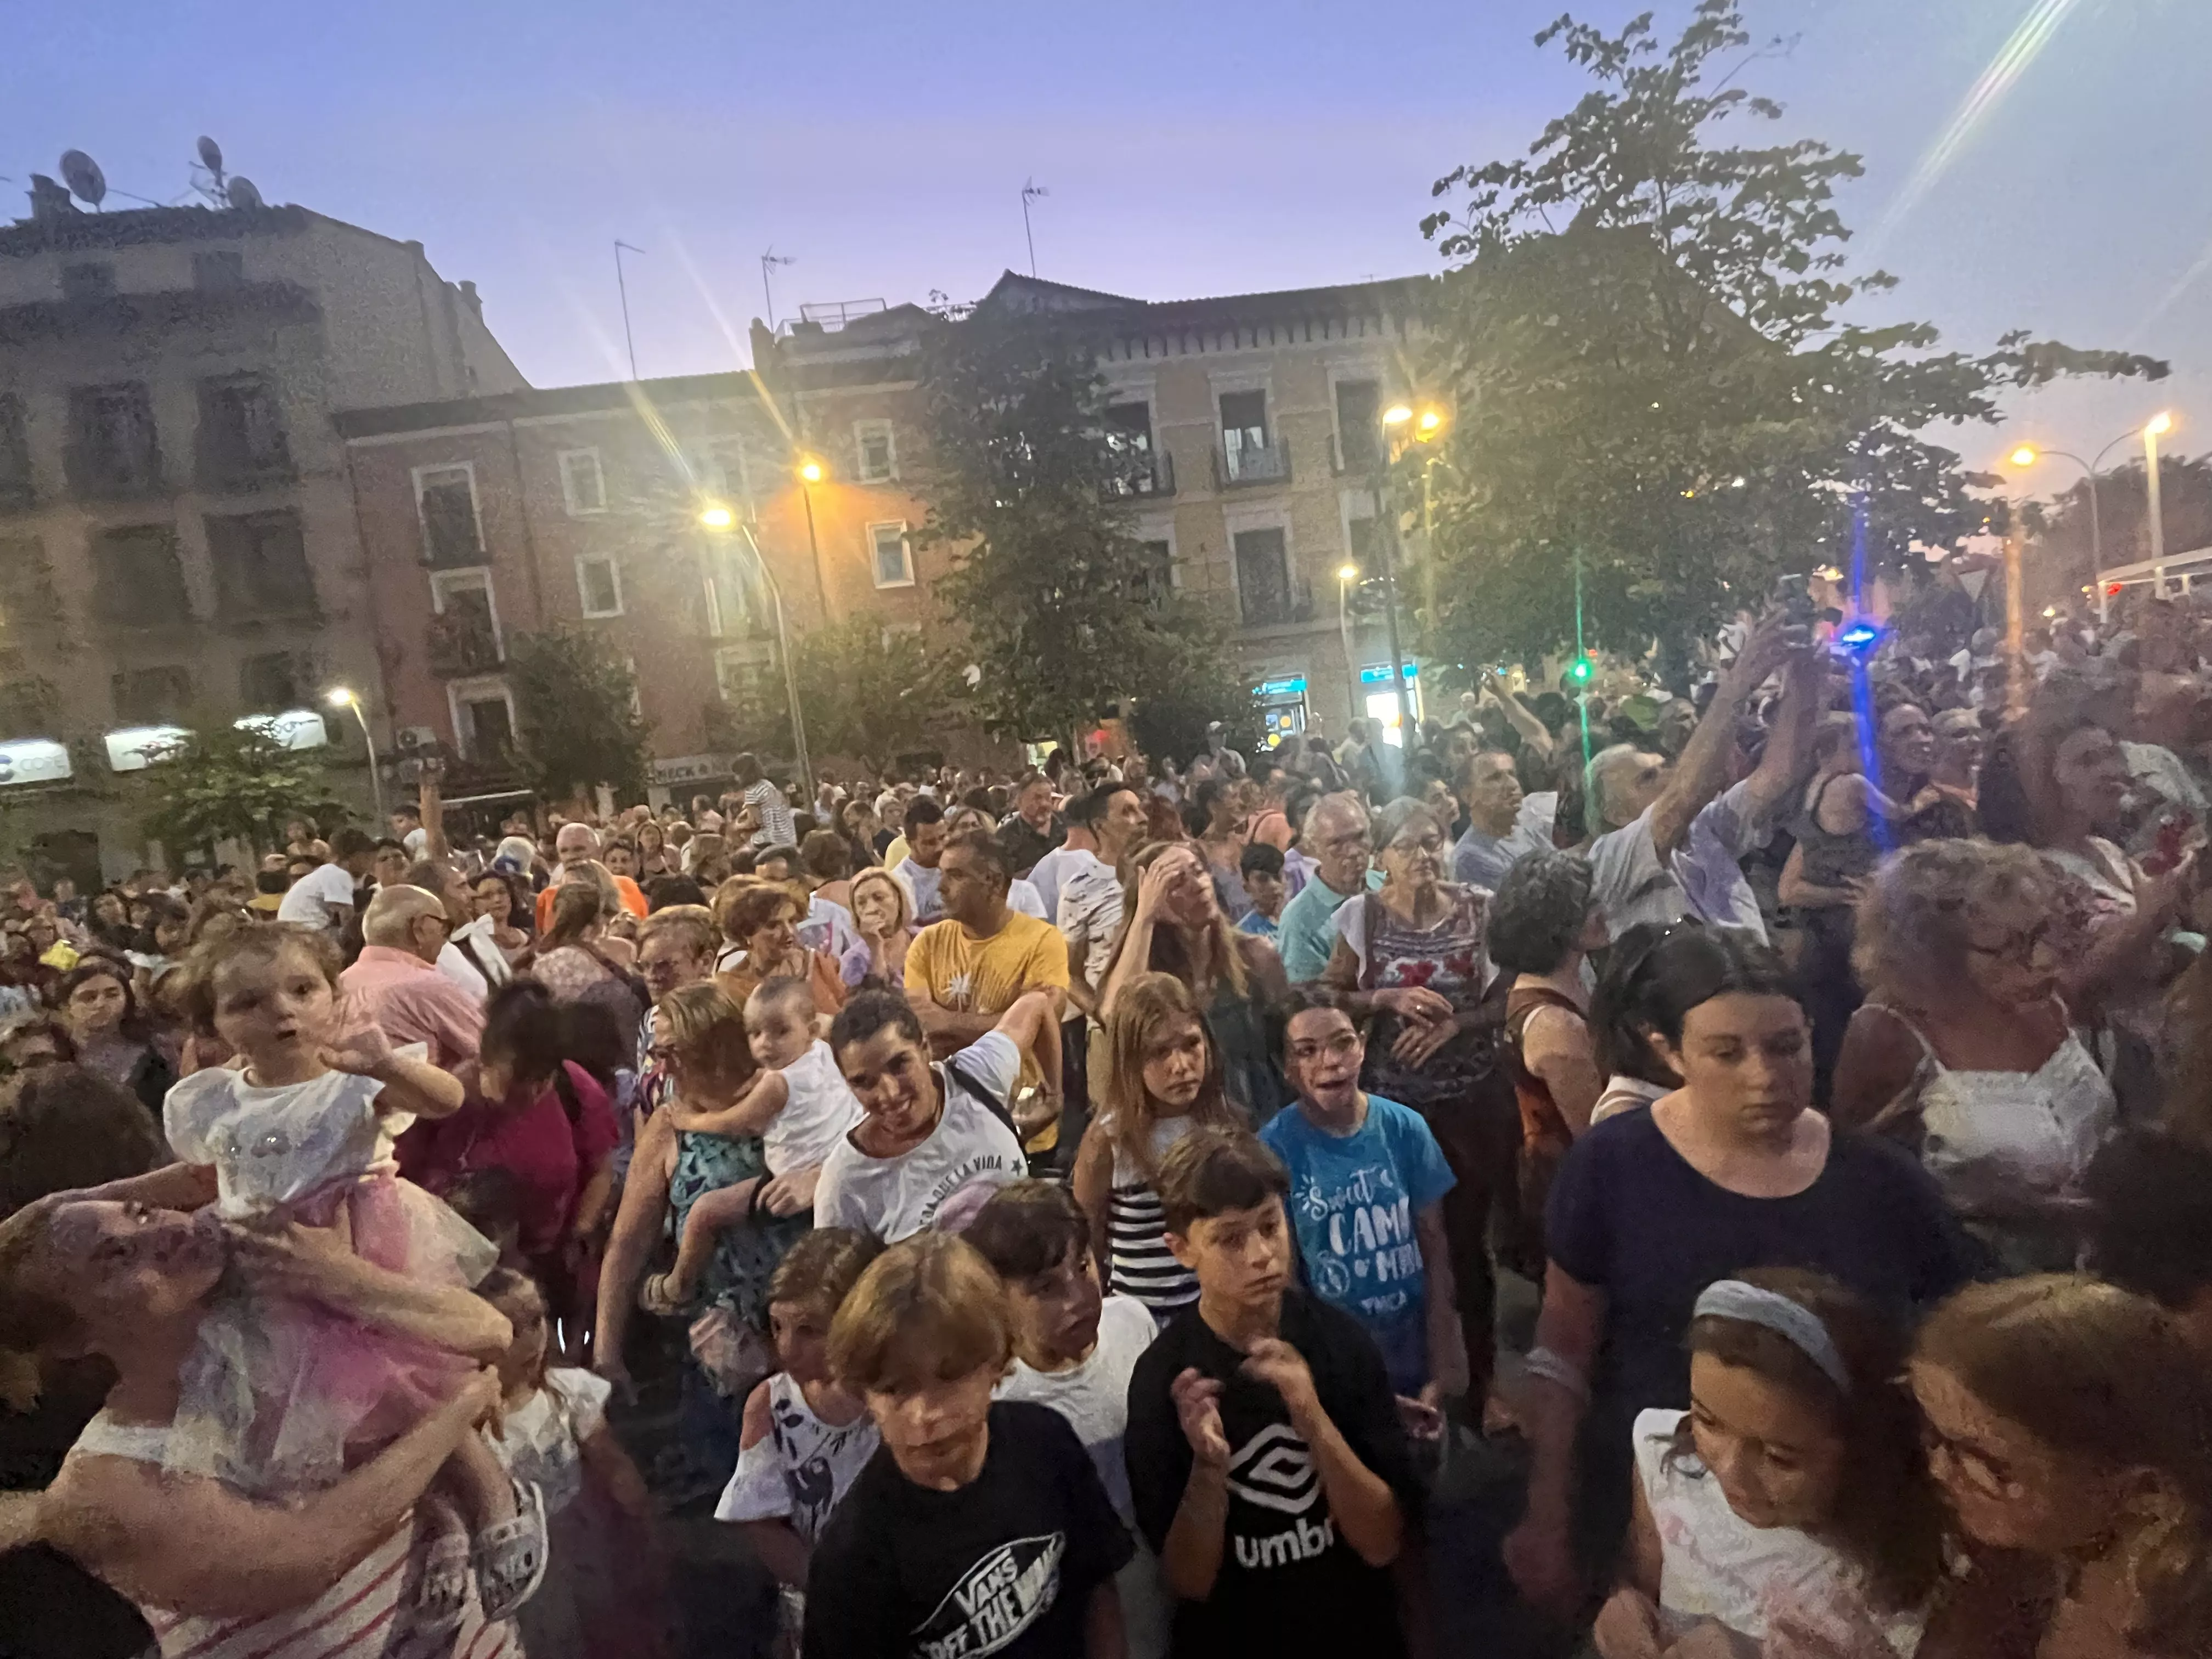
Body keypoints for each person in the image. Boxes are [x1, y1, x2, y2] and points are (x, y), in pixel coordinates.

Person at [1504, 927, 1976, 1618]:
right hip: (1662, 1510)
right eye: (1727, 1053)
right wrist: (1548, 1511)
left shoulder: (1881, 1181)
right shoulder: (1613, 1166)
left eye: (1786, 1046)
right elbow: (1567, 1344)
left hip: (1845, 1524)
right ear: (1668, 1050)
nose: (1764, 1076)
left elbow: (1954, 1344)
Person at [0, 1196, 526, 1658]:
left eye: (142, 1211)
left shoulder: (284, 1321)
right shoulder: (109, 1477)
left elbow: (491, 1333)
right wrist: (459, 1409)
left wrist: (342, 1279)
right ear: (75, 1341)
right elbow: (305, 1553)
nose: (156, 1234)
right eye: (114, 1259)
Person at [1124, 1127, 1419, 1659]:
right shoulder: (1164, 1378)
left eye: (1270, 1226)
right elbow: (1189, 1582)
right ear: (1181, 1249)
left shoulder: (1340, 1344)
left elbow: (1383, 1541)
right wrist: (1209, 1470)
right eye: (1231, 1239)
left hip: (1352, 1631)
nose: (1262, 1255)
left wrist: (1313, 1419)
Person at [802, 1232, 1133, 1659]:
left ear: (995, 1364)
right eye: (896, 1389)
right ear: (864, 1396)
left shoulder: (1045, 1443)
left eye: (950, 1378)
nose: (926, 1415)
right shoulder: (854, 1553)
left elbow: (1096, 1588)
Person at [1594, 1269, 1945, 1659]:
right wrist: (1625, 1602)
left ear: (1861, 1448)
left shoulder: (1906, 1557)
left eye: (1779, 1457)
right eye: (1707, 1421)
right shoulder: (1669, 1465)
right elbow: (1644, 1574)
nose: (1728, 1472)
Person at [1833, 839, 2118, 1271]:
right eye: (2006, 947)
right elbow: (1859, 1176)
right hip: (1980, 1278)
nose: (2041, 960)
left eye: (2041, 933)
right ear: (1932, 955)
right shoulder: (1889, 1033)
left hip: (2102, 1262)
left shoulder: (2044, 1001)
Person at [1908, 1276, 2212, 1659]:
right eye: (1933, 1433)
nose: (1938, 1468)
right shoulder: (2026, 1561)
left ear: (2142, 1492)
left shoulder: (2188, 1629)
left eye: (1981, 1460)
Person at [966, 1181, 1173, 1659]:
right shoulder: (999, 1396)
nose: (1079, 1297)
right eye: (1045, 1289)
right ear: (996, 1297)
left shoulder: (1132, 1323)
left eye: (1083, 1267)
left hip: (1149, 1555)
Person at [1261, 988, 1464, 1410]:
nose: (1331, 1061)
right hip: (1338, 1357)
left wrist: (1445, 1347)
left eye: (1343, 1043)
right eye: (1308, 1051)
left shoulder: (1406, 1128)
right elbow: (1286, 1278)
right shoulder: (1274, 1149)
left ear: (1363, 1046)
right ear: (1287, 1068)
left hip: (1412, 1347)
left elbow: (1435, 1245)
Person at [1581, 621, 1814, 942]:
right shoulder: (1609, 857)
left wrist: (1804, 680)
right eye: (1647, 777)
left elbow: (1775, 774)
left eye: (1665, 766)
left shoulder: (1703, 829)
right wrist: (1739, 680)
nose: (1669, 775)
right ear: (1614, 813)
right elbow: (1682, 797)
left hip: (1755, 979)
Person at [477, 1267, 664, 1659]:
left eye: (537, 1319)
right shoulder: (469, 1426)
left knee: (605, 1622)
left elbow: (612, 1463)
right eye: (512, 1329)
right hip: (522, 1562)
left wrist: (641, 1519)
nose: (533, 1339)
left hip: (583, 1536)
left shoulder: (565, 1394)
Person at [716, 1228, 887, 1656]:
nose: (788, 1348)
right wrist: (830, 1590)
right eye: (778, 1326)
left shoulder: (899, 1396)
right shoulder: (770, 1407)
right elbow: (760, 1520)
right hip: (823, 1595)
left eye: (810, 1330)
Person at [646, 978, 862, 1311]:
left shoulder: (776, 1084)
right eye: (756, 1033)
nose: (765, 1044)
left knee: (706, 1211)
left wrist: (689, 1122)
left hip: (798, 1178)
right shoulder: (821, 1052)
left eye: (779, 1032)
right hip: (835, 1164)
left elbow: (735, 1122)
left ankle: (678, 1286)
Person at [422, 979, 620, 1336]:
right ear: (485, 1061)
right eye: (516, 1083)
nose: (531, 1093)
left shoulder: (575, 1088)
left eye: (541, 1080)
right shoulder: (440, 1096)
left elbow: (601, 1170)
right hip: (450, 1271)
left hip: (546, 1268)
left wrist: (581, 1232)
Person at [817, 988, 1056, 1240]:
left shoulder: (975, 1075)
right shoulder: (845, 1184)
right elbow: (837, 1275)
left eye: (899, 1065)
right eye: (864, 1082)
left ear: (925, 1048)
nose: (889, 1093)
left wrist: (1055, 1097)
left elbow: (1037, 1004)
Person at [1071, 973, 1243, 1318]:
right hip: (1141, 1316)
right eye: (1159, 1052)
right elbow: (1086, 1233)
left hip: (1213, 1311)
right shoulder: (1109, 1138)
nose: (1180, 1066)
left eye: (1191, 1045)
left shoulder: (1220, 1119)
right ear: (1130, 1061)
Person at [905, 831, 1069, 1161]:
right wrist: (1007, 1025)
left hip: (1023, 1120)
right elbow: (923, 1026)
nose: (941, 887)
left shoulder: (1042, 941)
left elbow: (1039, 1023)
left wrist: (949, 1022)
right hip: (948, 1121)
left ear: (993, 882)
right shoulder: (927, 942)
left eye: (956, 876)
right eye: (942, 875)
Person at [1101, 840, 1288, 1124]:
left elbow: (1288, 1046)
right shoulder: (1147, 970)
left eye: (1198, 872)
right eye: (1176, 883)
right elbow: (1115, 1015)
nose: (1197, 885)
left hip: (1260, 1117)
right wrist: (1145, 918)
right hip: (1181, 1124)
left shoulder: (1257, 956)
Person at [1491, 851, 1607, 1233]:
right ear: (1558, 925)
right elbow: (1596, 1135)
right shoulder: (1556, 1025)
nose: (1602, 911)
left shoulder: (1566, 979)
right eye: (1590, 905)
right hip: (1574, 1191)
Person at [340, 885, 486, 1070]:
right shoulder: (428, 987)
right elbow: (491, 1052)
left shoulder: (340, 984)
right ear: (421, 928)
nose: (445, 937)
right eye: (445, 926)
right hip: (424, 1096)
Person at [1276, 794, 1382, 984]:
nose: (1353, 851)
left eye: (1359, 837)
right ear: (1313, 848)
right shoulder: (1300, 920)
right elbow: (1307, 999)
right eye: (1336, 843)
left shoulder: (1386, 886)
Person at [50, 960, 174, 1119]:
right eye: (88, 998)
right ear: (67, 1007)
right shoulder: (55, 1054)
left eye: (112, 995)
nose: (101, 1004)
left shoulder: (156, 1053)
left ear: (127, 1001)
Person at [716, 879, 849, 1016]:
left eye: (792, 921)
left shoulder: (823, 964)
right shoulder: (731, 988)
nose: (789, 932)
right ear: (746, 934)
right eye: (773, 925)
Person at [530, 884, 649, 1033]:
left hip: (570, 1045)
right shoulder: (624, 949)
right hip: (626, 1038)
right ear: (599, 917)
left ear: (555, 916)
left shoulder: (544, 964)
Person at [1453, 747, 1559, 891]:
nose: (1512, 785)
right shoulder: (1469, 859)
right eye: (1495, 778)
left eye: (1512, 774)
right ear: (1467, 795)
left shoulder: (1523, 828)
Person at [533, 825, 648, 933]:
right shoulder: (547, 896)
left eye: (579, 849)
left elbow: (643, 933)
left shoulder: (626, 885)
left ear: (598, 852)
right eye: (564, 851)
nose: (570, 856)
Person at [274, 827, 377, 934]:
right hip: (305, 931)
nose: (371, 865)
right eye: (368, 859)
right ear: (358, 857)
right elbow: (348, 920)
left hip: (293, 929)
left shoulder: (327, 872)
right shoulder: (338, 875)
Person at [845, 866, 913, 990]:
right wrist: (876, 949)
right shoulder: (853, 960)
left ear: (898, 899)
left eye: (879, 898)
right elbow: (873, 1004)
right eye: (861, 903)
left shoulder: (927, 939)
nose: (872, 908)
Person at [998, 769, 1065, 877]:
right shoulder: (1005, 837)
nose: (1044, 804)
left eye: (1048, 797)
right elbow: (1006, 881)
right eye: (1037, 798)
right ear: (1020, 801)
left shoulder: (1068, 825)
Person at [735, 753, 796, 849]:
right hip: (790, 835)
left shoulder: (751, 792)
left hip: (772, 838)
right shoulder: (768, 784)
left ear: (742, 774)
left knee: (739, 855)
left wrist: (737, 826)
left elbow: (755, 822)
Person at [1234, 842, 1285, 938]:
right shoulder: (1244, 936)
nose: (1274, 885)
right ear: (1247, 887)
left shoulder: (1301, 916)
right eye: (1262, 879)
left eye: (1277, 877)